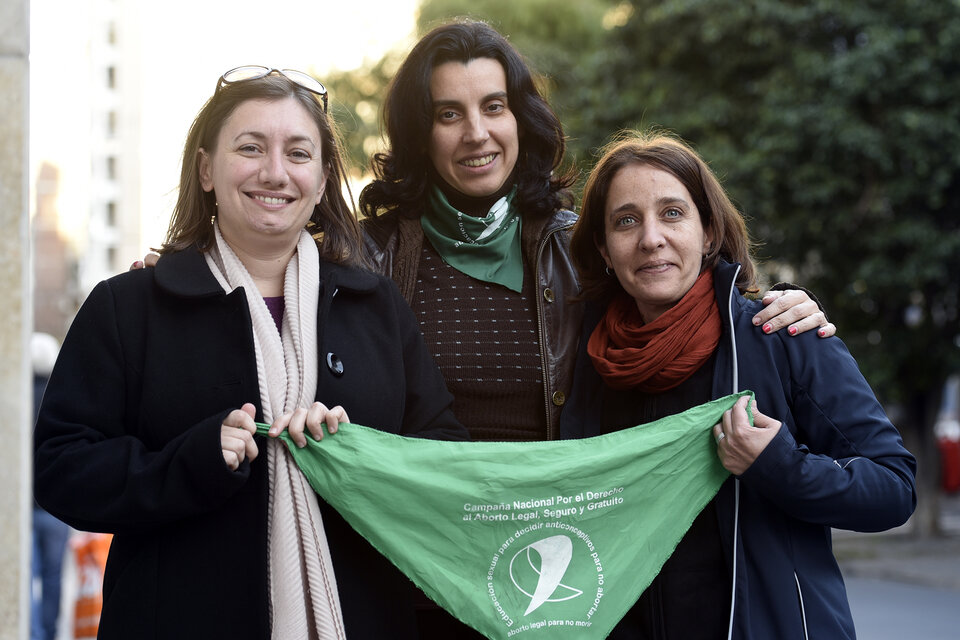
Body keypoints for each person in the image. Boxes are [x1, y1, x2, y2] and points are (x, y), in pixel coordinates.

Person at [358, 19, 835, 637]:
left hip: (553, 586)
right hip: (418, 579)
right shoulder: (367, 258)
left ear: (519, 119)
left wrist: (784, 304)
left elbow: (681, 291)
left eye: (494, 106)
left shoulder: (581, 247)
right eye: (448, 113)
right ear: (419, 131)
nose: (476, 132)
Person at [33, 66, 467, 640]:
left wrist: (360, 455)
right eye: (250, 148)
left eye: (298, 153)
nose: (275, 172)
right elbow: (62, 470)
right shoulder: (130, 306)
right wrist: (187, 463)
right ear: (206, 169)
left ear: (321, 176)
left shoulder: (376, 306)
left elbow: (445, 461)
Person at [561, 131, 917, 639]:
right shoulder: (590, 366)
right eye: (625, 220)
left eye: (672, 213)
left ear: (708, 232)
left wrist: (780, 465)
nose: (650, 238)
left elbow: (894, 487)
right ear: (603, 248)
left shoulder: (782, 335)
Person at [30, 332, 71, 640]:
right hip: (55, 506)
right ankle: (51, 631)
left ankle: (35, 632)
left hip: (21, 508)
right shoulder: (60, 399)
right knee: (54, 575)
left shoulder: (12, 397)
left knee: (27, 576)